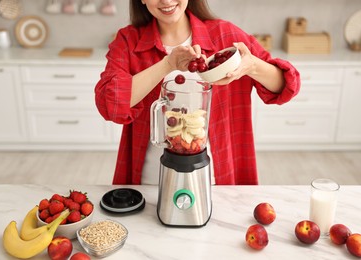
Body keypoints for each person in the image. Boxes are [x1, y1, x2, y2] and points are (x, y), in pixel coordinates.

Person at [95, 0, 300, 185]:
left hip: (217, 178)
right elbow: (111, 104)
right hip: (151, 177)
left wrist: (253, 66)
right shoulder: (128, 40)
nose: (166, 1)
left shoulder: (225, 35)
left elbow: (287, 86)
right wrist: (167, 64)